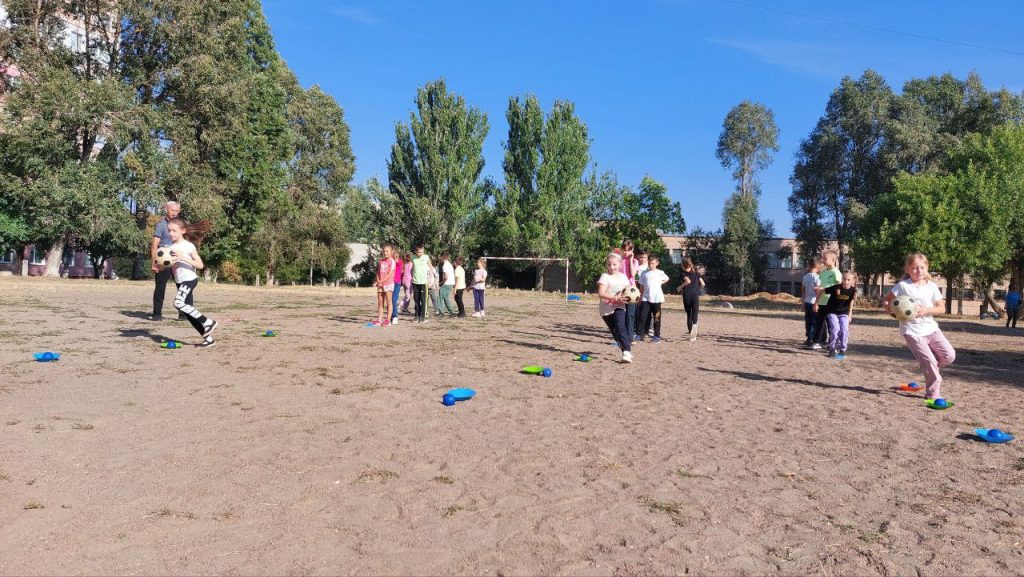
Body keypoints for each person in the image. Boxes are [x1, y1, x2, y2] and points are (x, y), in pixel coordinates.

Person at [884, 253, 956, 400]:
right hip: (912, 331)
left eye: (922, 267)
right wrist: (892, 313)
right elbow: (887, 301)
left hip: (931, 328)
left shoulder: (932, 287)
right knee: (929, 362)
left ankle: (929, 367)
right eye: (915, 268)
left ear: (927, 268)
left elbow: (942, 308)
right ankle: (933, 394)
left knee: (949, 356)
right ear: (908, 269)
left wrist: (927, 310)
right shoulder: (903, 286)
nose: (919, 271)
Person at [166, 218, 218, 347]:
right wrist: (159, 266)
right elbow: (168, 264)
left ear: (183, 231)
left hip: (189, 279)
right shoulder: (170, 247)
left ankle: (208, 321)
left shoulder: (188, 246)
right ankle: (208, 339)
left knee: (178, 303)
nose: (171, 233)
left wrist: (183, 257)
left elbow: (200, 265)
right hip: (179, 281)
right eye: (169, 231)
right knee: (188, 313)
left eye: (174, 231)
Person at [150, 201, 189, 321]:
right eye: (172, 210)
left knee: (182, 287)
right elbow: (154, 244)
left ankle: (182, 315)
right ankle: (157, 314)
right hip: (164, 261)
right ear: (166, 209)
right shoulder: (161, 225)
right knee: (160, 287)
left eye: (177, 211)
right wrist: (154, 263)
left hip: (178, 260)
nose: (174, 213)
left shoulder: (181, 225)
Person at [598, 252, 632, 363]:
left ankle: (627, 352)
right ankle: (623, 349)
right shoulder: (605, 277)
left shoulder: (623, 277)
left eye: (614, 264)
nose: (612, 267)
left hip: (619, 306)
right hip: (605, 309)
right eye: (609, 265)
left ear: (620, 264)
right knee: (615, 331)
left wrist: (627, 295)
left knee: (620, 326)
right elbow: (601, 293)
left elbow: (627, 289)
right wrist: (615, 297)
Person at [818, 271, 857, 359]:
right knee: (835, 329)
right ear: (841, 279)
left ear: (853, 281)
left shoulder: (853, 291)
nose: (846, 281)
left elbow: (851, 303)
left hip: (844, 313)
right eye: (844, 279)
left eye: (848, 280)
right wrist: (816, 303)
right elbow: (822, 290)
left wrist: (850, 314)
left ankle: (842, 350)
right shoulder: (836, 288)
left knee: (844, 330)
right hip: (832, 312)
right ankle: (832, 349)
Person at [638, 255, 669, 343]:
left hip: (657, 299)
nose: (650, 265)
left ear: (657, 264)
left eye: (652, 263)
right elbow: (641, 285)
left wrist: (660, 283)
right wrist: (640, 297)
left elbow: (667, 278)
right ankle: (639, 334)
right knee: (642, 317)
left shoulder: (660, 272)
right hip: (645, 298)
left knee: (657, 318)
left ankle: (656, 336)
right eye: (649, 263)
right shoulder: (644, 273)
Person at [813, 250, 841, 347]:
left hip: (831, 302)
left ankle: (833, 343)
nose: (822, 260)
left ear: (833, 260)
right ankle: (819, 342)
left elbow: (839, 288)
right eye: (822, 258)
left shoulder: (836, 272)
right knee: (819, 322)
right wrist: (816, 302)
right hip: (821, 301)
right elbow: (820, 287)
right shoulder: (823, 272)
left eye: (825, 258)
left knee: (831, 323)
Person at [678, 258, 704, 341]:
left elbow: (688, 281)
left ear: (683, 265)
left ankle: (691, 335)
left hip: (687, 295)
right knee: (695, 316)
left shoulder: (683, 273)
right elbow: (703, 284)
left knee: (689, 315)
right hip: (695, 295)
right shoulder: (696, 273)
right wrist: (697, 290)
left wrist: (680, 287)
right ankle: (694, 331)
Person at [619, 240, 640, 343]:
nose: (626, 252)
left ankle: (630, 337)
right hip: (620, 290)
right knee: (620, 314)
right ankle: (622, 337)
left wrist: (631, 260)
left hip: (631, 292)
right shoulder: (619, 260)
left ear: (632, 250)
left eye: (628, 250)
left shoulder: (635, 261)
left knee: (630, 315)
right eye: (624, 250)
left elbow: (633, 274)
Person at [372, 244, 395, 326]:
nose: (385, 253)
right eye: (384, 251)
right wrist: (378, 281)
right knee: (380, 303)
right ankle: (379, 320)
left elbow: (390, 274)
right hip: (380, 285)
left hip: (388, 284)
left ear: (392, 252)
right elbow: (378, 272)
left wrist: (381, 281)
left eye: (387, 251)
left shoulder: (392, 262)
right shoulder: (381, 261)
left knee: (389, 302)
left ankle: (388, 320)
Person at [801, 259, 822, 348]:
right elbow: (818, 290)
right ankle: (813, 338)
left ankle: (809, 337)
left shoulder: (805, 277)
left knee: (808, 321)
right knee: (814, 321)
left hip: (807, 301)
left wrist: (803, 300)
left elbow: (803, 289)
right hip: (814, 301)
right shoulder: (817, 277)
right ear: (817, 268)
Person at [411, 245, 430, 323]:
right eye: (419, 252)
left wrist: (430, 278)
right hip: (415, 282)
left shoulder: (426, 257)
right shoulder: (413, 257)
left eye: (422, 252)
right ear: (415, 252)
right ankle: (417, 316)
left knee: (423, 300)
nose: (420, 253)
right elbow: (410, 268)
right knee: (416, 300)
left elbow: (430, 266)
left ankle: (423, 317)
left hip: (424, 282)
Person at [439, 253, 457, 317]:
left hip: (447, 283)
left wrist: (441, 283)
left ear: (442, 257)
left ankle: (441, 312)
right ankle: (452, 312)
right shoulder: (449, 264)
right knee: (446, 298)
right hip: (451, 283)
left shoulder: (445, 265)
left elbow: (446, 277)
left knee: (440, 297)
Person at [390, 249, 403, 325]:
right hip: (389, 282)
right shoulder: (390, 262)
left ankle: (395, 316)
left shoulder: (399, 262)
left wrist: (394, 259)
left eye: (395, 255)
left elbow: (397, 262)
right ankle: (390, 316)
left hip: (396, 283)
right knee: (390, 301)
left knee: (394, 300)